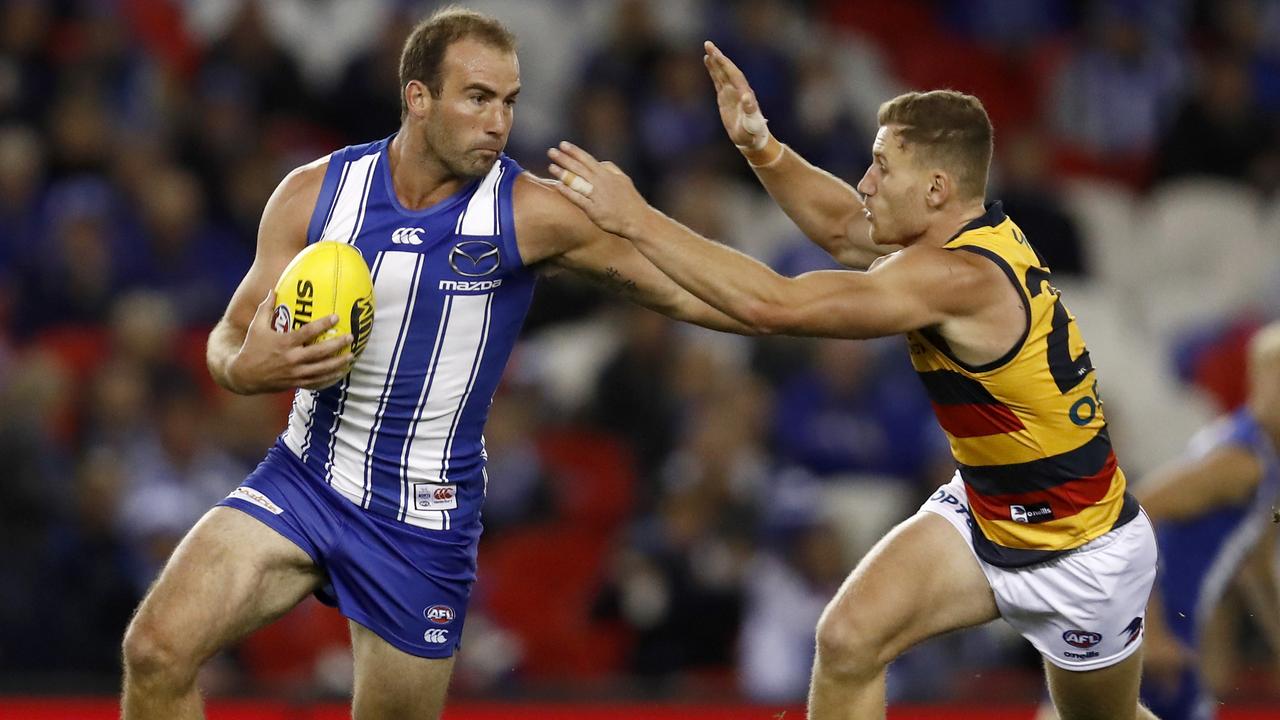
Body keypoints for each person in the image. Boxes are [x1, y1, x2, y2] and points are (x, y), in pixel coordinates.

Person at [118, 9, 753, 720]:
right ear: (418, 97)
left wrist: (800, 308)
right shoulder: (315, 193)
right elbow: (229, 336)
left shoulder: (529, 213)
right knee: (156, 650)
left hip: (420, 526)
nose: (499, 121)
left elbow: (689, 292)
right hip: (305, 481)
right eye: (478, 98)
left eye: (509, 102)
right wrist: (244, 370)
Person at [548, 41, 1161, 719]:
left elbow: (771, 306)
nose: (866, 183)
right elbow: (844, 227)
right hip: (989, 513)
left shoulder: (956, 278)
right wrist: (763, 147)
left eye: (880, 166)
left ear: (934, 189)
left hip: (1081, 553)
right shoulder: (961, 235)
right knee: (846, 640)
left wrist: (636, 219)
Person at [1040, 323, 1280, 720]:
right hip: (1146, 624)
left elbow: (1253, 560)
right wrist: (1154, 631)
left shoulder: (1262, 460)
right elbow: (1131, 515)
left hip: (1158, 623)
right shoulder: (1242, 461)